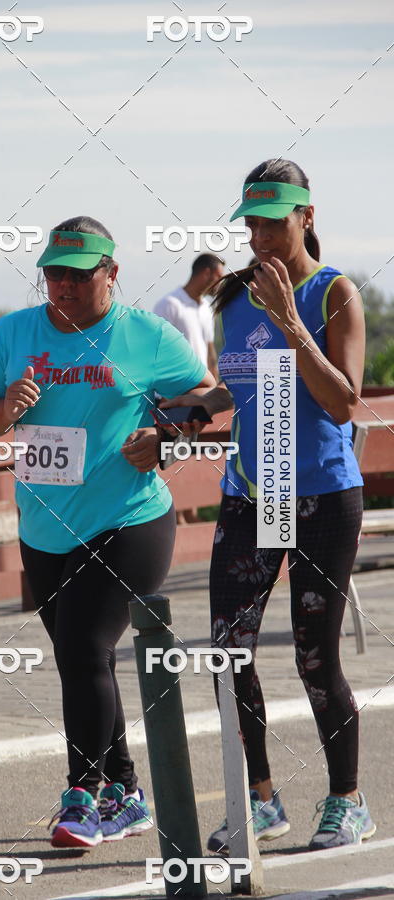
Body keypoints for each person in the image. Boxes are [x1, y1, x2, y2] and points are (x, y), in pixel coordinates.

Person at [137, 159, 376, 852]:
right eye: (252, 222)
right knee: (227, 653)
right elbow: (232, 390)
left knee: (313, 659)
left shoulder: (335, 295)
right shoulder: (232, 298)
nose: (261, 234)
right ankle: (262, 800)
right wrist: (181, 415)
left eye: (275, 220)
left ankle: (347, 799)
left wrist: (290, 325)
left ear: (307, 217)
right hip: (251, 495)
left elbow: (343, 402)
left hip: (323, 499)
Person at [0, 216, 215, 848]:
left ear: (112, 272)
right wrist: (6, 409)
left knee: (81, 651)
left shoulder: (145, 336)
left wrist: (166, 439)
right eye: (54, 274)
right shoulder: (15, 331)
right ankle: (128, 792)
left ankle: (85, 794)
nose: (64, 287)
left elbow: (214, 397)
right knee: (85, 661)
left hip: (128, 521)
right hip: (44, 529)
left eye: (79, 274)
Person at [153, 252, 225, 382]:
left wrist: (213, 389)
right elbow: (156, 352)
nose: (221, 283)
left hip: (202, 393)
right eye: (219, 277)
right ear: (206, 273)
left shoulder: (207, 308)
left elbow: (209, 350)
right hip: (174, 394)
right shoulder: (169, 305)